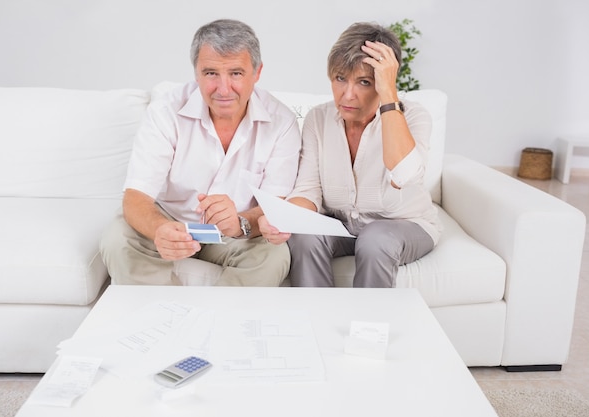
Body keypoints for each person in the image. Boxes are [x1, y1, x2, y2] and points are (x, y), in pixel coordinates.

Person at [100, 19, 301, 286]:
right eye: (210, 73)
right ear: (196, 72)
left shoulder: (282, 121)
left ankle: (220, 322)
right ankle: (157, 318)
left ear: (257, 72)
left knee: (274, 256)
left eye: (236, 74)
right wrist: (160, 230)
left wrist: (240, 223)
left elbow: (274, 206)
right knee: (117, 239)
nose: (223, 89)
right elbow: (136, 197)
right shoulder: (165, 111)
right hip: (172, 219)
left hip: (236, 232)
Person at [259, 22, 441, 288]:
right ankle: (316, 320)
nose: (347, 94)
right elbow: (308, 190)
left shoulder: (412, 116)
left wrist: (389, 94)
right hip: (341, 226)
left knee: (374, 239)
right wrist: (282, 219)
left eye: (364, 82)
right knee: (304, 236)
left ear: (383, 81)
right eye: (340, 78)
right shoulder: (318, 119)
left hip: (405, 225)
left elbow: (404, 174)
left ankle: (368, 327)